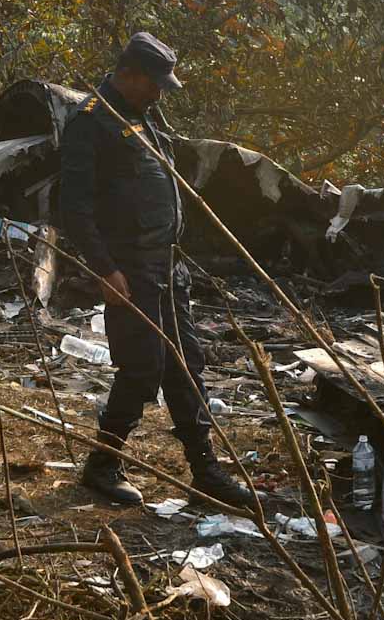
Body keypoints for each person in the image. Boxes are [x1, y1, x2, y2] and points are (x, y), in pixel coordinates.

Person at [56, 32, 255, 508]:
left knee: (186, 365)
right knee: (143, 367)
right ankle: (103, 465)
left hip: (167, 262)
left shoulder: (143, 114)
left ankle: (205, 471)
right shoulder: (91, 122)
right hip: (129, 268)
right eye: (154, 84)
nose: (160, 94)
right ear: (128, 74)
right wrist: (105, 269)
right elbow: (73, 208)